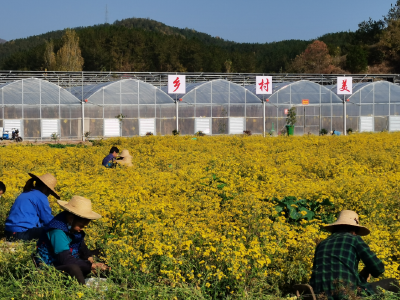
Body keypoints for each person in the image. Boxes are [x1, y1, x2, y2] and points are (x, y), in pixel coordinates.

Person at [310, 210, 398, 300]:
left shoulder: (322, 244)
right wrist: (368, 269)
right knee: (392, 282)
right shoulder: (354, 239)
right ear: (354, 230)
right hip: (346, 295)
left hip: (320, 296)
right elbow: (378, 268)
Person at [36, 195, 109, 285]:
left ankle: (104, 278)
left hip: (71, 258)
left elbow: (80, 245)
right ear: (71, 218)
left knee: (100, 253)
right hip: (52, 265)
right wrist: (91, 266)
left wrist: (90, 258)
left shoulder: (71, 225)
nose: (82, 229)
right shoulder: (57, 232)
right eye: (81, 225)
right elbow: (65, 259)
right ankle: (82, 291)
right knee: (73, 268)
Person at [5, 173, 60, 241]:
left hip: (8, 232)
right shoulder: (41, 196)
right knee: (56, 230)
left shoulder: (26, 193)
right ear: (46, 188)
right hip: (22, 233)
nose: (48, 194)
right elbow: (47, 219)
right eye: (49, 191)